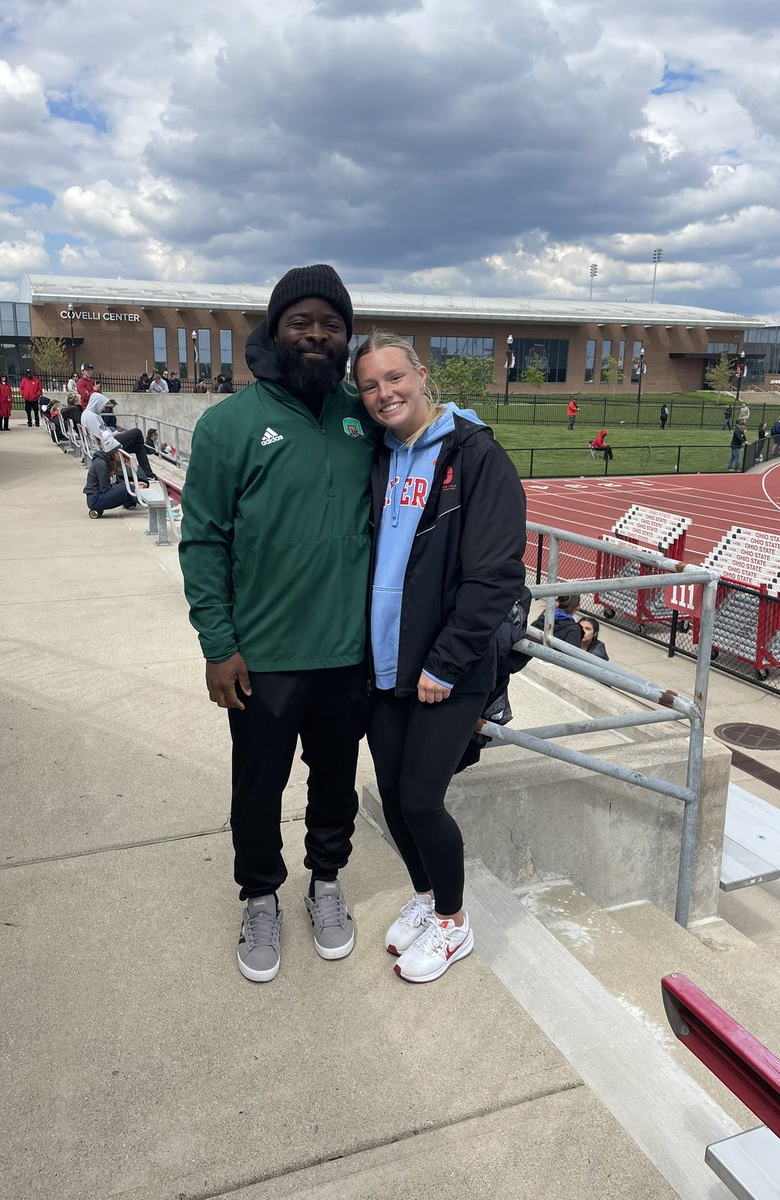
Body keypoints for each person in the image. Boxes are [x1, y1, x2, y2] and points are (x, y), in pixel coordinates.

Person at [179, 264, 377, 985]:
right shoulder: (229, 424)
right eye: (302, 321)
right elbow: (202, 540)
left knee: (335, 778)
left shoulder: (364, 418)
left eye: (330, 322)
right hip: (261, 657)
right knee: (256, 789)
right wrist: (217, 645)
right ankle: (259, 893)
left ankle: (326, 882)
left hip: (349, 653)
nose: (317, 333)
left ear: (345, 334)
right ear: (275, 329)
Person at [353, 330, 526, 984]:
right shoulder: (380, 456)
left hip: (446, 671)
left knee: (423, 799)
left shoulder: (476, 456)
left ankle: (454, 923)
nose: (384, 393)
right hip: (385, 664)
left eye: (394, 378)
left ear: (420, 375)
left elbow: (494, 575)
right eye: (370, 385)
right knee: (394, 795)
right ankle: (426, 898)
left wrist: (447, 661)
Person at [81, 394, 156, 480]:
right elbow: (101, 437)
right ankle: (148, 450)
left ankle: (148, 473)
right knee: (137, 432)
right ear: (97, 403)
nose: (104, 408)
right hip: (108, 445)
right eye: (103, 405)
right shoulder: (91, 417)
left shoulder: (88, 414)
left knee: (139, 447)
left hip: (108, 442)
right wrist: (115, 434)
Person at [83, 436, 142, 518]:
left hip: (99, 496)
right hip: (95, 499)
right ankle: (150, 505)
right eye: (118, 453)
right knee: (127, 488)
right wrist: (129, 487)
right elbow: (105, 488)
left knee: (129, 487)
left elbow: (115, 481)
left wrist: (133, 484)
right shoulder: (101, 465)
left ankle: (130, 502)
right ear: (113, 453)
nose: (120, 456)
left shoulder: (111, 462)